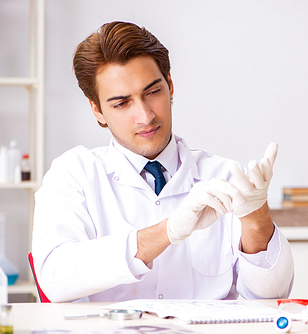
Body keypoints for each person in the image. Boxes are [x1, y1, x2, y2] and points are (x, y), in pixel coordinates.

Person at [31, 21, 294, 303]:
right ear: (97, 110)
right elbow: (54, 279)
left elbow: (273, 297)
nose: (145, 116)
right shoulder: (75, 175)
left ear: (169, 85)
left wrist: (257, 219)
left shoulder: (223, 177)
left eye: (152, 92)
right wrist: (167, 232)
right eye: (121, 103)